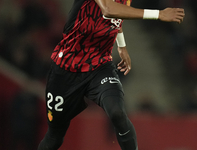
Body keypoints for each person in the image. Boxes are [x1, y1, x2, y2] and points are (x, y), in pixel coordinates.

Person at [38, 0, 185, 150]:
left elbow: (117, 16)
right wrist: (158, 14)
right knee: (55, 136)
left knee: (117, 113)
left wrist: (121, 45)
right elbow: (108, 9)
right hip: (66, 70)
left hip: (100, 65)